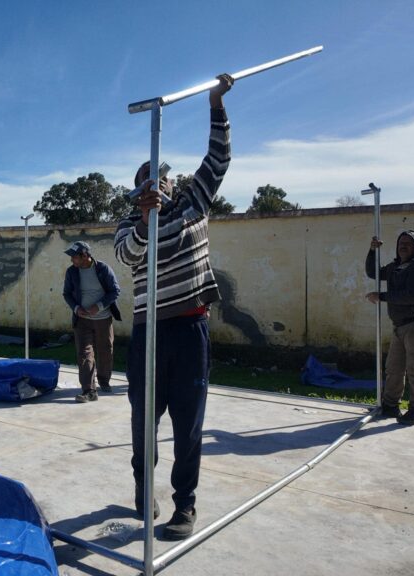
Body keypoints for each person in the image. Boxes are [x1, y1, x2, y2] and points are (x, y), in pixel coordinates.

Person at [113, 73, 233, 540]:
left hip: (190, 329)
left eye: (159, 178)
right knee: (144, 421)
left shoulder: (193, 202)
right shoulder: (130, 222)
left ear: (170, 180)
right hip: (149, 335)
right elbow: (127, 256)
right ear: (137, 191)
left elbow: (218, 159)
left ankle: (185, 504)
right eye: (146, 182)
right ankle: (144, 488)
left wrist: (215, 104)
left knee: (188, 423)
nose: (155, 185)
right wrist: (145, 219)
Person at [365, 230, 414, 426]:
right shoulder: (396, 267)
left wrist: (380, 296)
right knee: (394, 368)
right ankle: (390, 405)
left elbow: (410, 296)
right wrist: (372, 251)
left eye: (409, 243)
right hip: (401, 326)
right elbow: (373, 273)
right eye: (401, 243)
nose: (403, 246)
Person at [62, 240, 122, 403]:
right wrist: (76, 308)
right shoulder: (71, 272)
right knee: (84, 354)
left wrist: (99, 306)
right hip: (82, 320)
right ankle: (89, 390)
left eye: (74, 257)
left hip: (103, 319)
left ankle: (104, 380)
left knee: (105, 351)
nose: (71, 260)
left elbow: (115, 291)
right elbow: (67, 293)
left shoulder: (103, 269)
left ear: (85, 255)